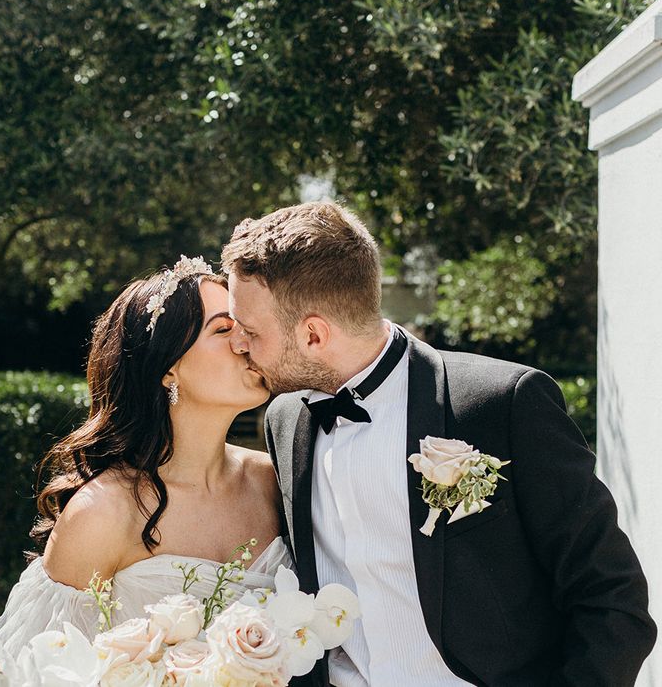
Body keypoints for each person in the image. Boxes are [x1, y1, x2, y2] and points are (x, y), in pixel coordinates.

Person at [221, 202, 657, 687]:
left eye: (251, 331)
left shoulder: (502, 403)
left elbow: (611, 598)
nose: (238, 343)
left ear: (314, 334)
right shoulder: (285, 421)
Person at [0, 257, 290, 683]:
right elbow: (36, 673)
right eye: (222, 329)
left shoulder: (277, 479)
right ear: (167, 367)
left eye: (243, 326)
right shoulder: (102, 513)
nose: (245, 342)